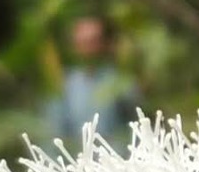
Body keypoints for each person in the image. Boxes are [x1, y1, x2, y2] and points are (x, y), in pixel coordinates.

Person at [47, 15, 140, 154]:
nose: (89, 48)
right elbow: (54, 131)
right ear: (74, 46)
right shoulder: (65, 86)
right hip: (80, 163)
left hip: (120, 159)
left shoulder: (120, 80)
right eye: (83, 42)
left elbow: (137, 122)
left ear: (105, 43)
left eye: (93, 41)